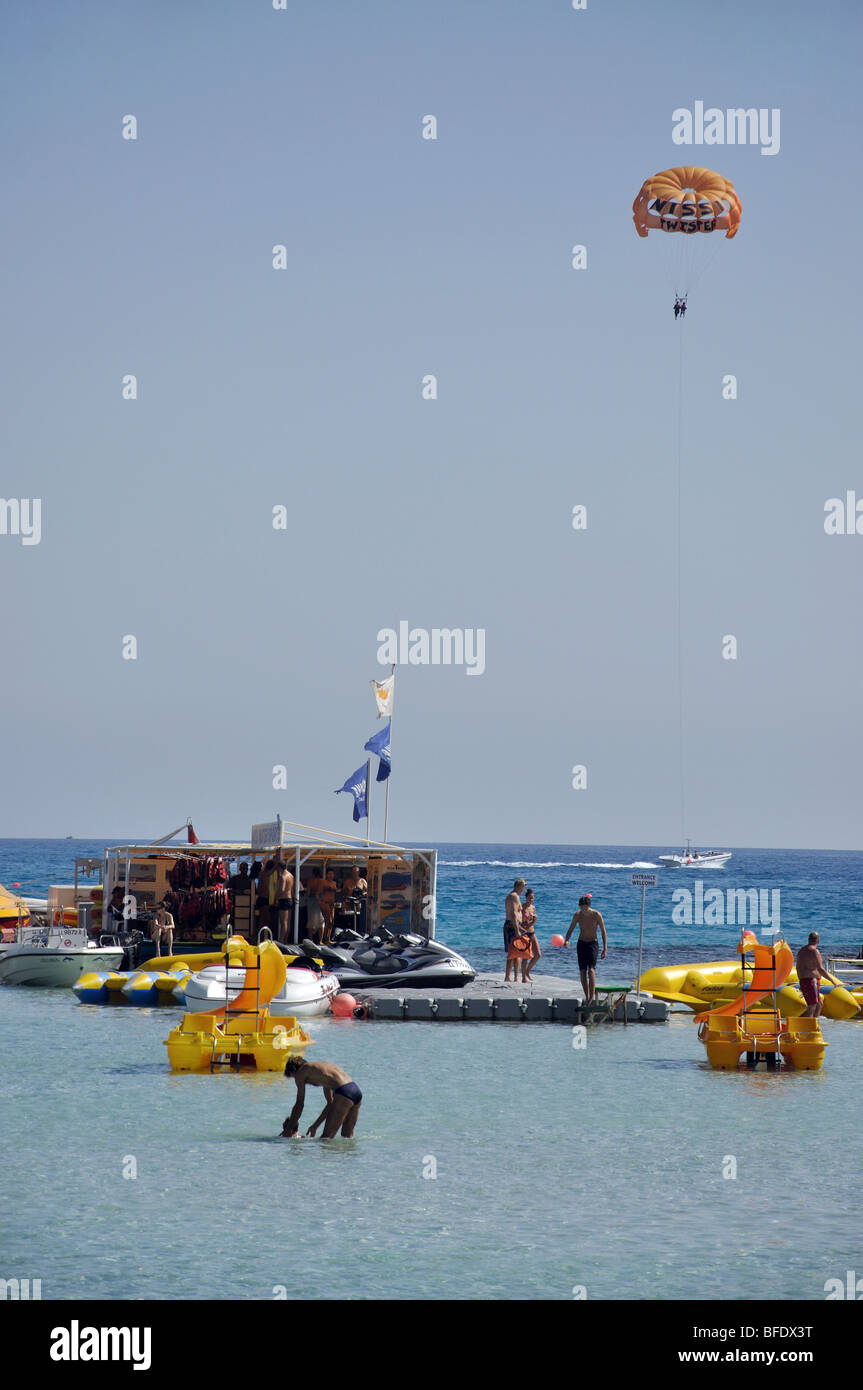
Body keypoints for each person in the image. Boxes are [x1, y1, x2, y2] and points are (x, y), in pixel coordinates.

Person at [282, 1058, 362, 1138]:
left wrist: (288, 1130)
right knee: (347, 1137)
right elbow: (330, 1103)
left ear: (293, 1071)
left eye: (293, 1077)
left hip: (344, 1093)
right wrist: (315, 1126)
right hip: (356, 1091)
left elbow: (299, 1104)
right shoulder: (323, 1070)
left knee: (326, 1139)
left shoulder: (301, 1073)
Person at [563, 893, 608, 1004]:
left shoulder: (596, 915)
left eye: (585, 907)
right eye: (581, 907)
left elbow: (603, 931)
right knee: (582, 971)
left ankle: (591, 998)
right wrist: (567, 940)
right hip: (581, 943)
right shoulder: (577, 915)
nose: (583, 910)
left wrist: (605, 948)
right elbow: (571, 929)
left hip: (593, 944)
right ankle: (587, 996)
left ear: (589, 906)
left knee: (591, 971)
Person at [796, 932, 840, 1017]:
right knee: (813, 1006)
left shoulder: (801, 951)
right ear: (818, 941)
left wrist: (801, 980)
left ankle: (815, 1022)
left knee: (819, 1003)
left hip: (804, 980)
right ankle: (806, 1026)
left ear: (809, 939)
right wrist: (832, 980)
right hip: (812, 980)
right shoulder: (814, 951)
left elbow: (798, 968)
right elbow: (820, 969)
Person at [503, 878, 526, 970]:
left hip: (511, 924)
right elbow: (513, 913)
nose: (523, 889)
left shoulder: (511, 896)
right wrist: (517, 930)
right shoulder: (514, 896)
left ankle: (510, 976)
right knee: (514, 952)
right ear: (518, 886)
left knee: (513, 952)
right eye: (522, 887)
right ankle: (511, 977)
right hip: (512, 925)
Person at [274, 860, 295, 944]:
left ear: (279, 868)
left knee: (283, 922)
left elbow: (282, 889)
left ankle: (281, 940)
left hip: (284, 899)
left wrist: (276, 897)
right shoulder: (291, 875)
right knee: (288, 922)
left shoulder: (283, 876)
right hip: (289, 899)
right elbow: (292, 889)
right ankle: (285, 940)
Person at [522, 888, 541, 981]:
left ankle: (527, 971)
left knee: (538, 954)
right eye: (530, 898)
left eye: (532, 898)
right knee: (526, 956)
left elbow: (533, 921)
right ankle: (523, 977)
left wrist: (534, 920)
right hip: (524, 933)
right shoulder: (522, 907)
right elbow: (520, 922)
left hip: (532, 932)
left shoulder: (533, 908)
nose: (531, 900)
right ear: (526, 897)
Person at [304, 869, 326, 944]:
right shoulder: (323, 881)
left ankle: (311, 940)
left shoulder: (310, 881)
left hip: (312, 901)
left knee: (311, 921)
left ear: (313, 874)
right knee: (321, 921)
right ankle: (320, 940)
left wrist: (306, 898)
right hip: (321, 900)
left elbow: (308, 892)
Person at [255, 859, 275, 931]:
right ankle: (261, 936)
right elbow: (274, 869)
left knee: (262, 919)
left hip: (261, 898)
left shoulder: (261, 874)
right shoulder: (267, 874)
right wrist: (278, 862)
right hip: (264, 899)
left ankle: (260, 935)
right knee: (265, 920)